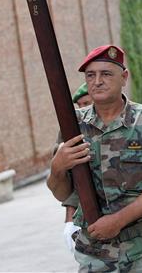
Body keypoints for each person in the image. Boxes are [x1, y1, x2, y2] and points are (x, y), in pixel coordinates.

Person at [47, 45, 142, 272]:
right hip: (96, 253)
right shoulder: (73, 125)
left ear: (124, 77)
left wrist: (118, 221)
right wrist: (57, 168)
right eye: (91, 75)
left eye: (106, 74)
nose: (97, 81)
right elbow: (63, 193)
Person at [62, 82, 94, 253]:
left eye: (86, 103)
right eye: (79, 105)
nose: (82, 109)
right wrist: (69, 220)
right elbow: (72, 180)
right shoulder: (72, 132)